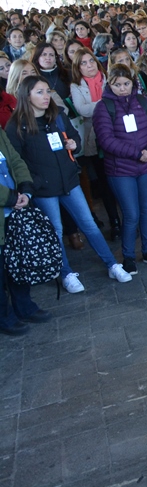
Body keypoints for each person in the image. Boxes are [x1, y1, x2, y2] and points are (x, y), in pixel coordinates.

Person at [5, 76, 131, 293]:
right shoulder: (16, 126)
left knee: (89, 224)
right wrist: (33, 183)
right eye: (40, 92)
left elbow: (74, 138)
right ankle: (66, 273)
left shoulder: (57, 116)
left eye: (47, 91)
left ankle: (111, 264)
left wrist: (75, 144)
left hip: (70, 182)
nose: (46, 96)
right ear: (27, 96)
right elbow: (16, 162)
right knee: (56, 230)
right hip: (43, 189)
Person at [92, 64, 147, 273]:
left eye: (126, 84)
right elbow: (106, 141)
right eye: (117, 85)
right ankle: (128, 256)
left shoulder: (143, 102)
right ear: (110, 84)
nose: (122, 88)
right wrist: (137, 154)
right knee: (131, 213)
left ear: (132, 83)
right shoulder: (103, 107)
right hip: (121, 170)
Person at [69, 48, 122, 239]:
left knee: (121, 180)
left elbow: (121, 99)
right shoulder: (76, 85)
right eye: (83, 63)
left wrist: (99, 104)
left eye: (91, 61)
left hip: (118, 133)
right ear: (77, 67)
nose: (89, 65)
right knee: (105, 181)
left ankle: (128, 220)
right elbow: (82, 109)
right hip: (94, 137)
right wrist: (106, 103)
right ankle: (114, 221)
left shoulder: (108, 77)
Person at [0, 127, 44, 336]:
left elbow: (16, 160)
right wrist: (10, 197)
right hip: (7, 204)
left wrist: (25, 188)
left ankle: (24, 307)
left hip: (13, 210)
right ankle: (4, 316)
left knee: (18, 261)